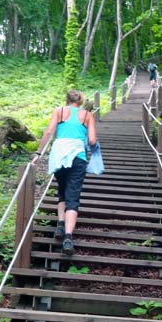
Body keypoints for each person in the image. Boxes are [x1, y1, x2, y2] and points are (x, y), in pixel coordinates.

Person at [32, 90, 96, 256]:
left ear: (66, 99)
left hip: (59, 154)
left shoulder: (59, 111)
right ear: (80, 101)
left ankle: (60, 224)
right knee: (72, 196)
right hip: (78, 156)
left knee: (62, 190)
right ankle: (68, 237)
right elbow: (92, 140)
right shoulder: (87, 115)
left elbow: (48, 132)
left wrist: (38, 154)